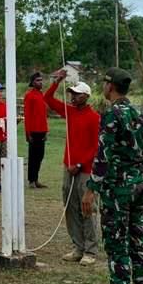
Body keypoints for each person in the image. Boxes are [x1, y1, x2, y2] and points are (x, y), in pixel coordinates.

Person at [82, 68, 143, 284]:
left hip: (118, 191)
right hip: (139, 186)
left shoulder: (112, 115)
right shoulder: (140, 115)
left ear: (110, 86)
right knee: (139, 243)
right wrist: (139, 178)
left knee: (117, 244)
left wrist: (91, 189)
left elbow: (103, 157)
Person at [43, 70, 100, 265]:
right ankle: (78, 246)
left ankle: (90, 250)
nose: (73, 97)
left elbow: (96, 147)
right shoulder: (70, 111)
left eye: (77, 94)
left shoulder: (94, 117)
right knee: (70, 206)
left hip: (84, 170)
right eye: (72, 94)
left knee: (87, 208)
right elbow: (47, 98)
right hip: (68, 168)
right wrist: (57, 81)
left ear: (86, 96)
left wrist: (79, 164)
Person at [23, 71, 49, 188]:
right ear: (32, 83)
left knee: (40, 155)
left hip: (42, 130)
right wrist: (28, 133)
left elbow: (43, 114)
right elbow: (27, 115)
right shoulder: (29, 95)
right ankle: (31, 180)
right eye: (38, 80)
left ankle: (36, 179)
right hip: (33, 130)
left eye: (41, 80)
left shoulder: (41, 95)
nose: (40, 82)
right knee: (33, 156)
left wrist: (46, 131)